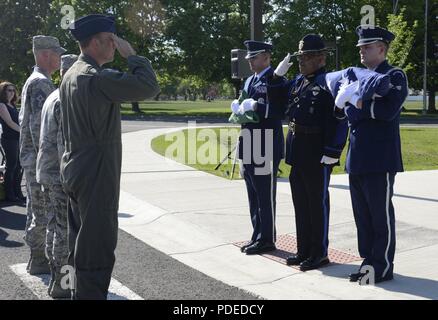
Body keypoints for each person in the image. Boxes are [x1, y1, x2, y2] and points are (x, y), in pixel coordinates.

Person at [60, 14, 160, 299]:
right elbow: (148, 87)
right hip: (96, 171)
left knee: (79, 244)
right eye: (110, 41)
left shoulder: (71, 74)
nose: (115, 46)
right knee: (97, 249)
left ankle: (75, 293)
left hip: (75, 167)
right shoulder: (96, 77)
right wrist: (134, 56)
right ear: (94, 43)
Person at [335, 26, 408, 284]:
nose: (362, 51)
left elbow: (387, 111)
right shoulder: (356, 76)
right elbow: (346, 113)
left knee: (379, 216)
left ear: (382, 48)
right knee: (362, 218)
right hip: (357, 157)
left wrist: (356, 102)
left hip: (380, 158)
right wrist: (355, 102)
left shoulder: (395, 75)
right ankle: (369, 262)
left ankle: (383, 265)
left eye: (367, 47)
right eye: (361, 47)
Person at [271, 34, 348, 271]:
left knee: (317, 204)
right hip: (298, 148)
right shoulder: (298, 82)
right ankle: (304, 249)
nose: (301, 61)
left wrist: (333, 150)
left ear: (320, 58)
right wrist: (276, 76)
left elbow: (340, 119)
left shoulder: (329, 82)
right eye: (300, 57)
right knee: (301, 204)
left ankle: (319, 253)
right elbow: (277, 100)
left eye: (306, 57)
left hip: (317, 151)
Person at [232, 40, 286, 255]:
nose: (251, 62)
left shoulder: (276, 80)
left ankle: (267, 238)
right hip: (249, 139)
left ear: (266, 56)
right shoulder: (249, 80)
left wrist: (256, 105)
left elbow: (280, 110)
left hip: (265, 141)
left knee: (264, 194)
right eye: (249, 58)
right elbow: (244, 106)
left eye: (254, 58)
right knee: (253, 192)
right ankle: (257, 234)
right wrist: (237, 108)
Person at [20, 35, 66, 275]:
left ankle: (36, 259)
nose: (60, 58)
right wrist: (47, 164)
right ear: (46, 54)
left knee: (35, 210)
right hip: (39, 161)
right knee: (43, 212)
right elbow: (40, 129)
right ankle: (39, 259)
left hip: (31, 161)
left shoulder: (35, 80)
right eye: (57, 53)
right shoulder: (41, 83)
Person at [36, 54, 78, 298]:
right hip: (60, 175)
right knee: (64, 231)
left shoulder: (52, 94)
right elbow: (65, 144)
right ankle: (62, 285)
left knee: (54, 226)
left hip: (46, 172)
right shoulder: (64, 98)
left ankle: (56, 279)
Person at [0, 82, 24, 202]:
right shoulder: (2, 105)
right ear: (3, 92)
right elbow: (10, 123)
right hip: (9, 139)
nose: (11, 93)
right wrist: (24, 131)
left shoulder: (12, 105)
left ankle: (18, 192)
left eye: (13, 90)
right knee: (12, 166)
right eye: (8, 90)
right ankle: (10, 194)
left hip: (17, 138)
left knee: (19, 166)